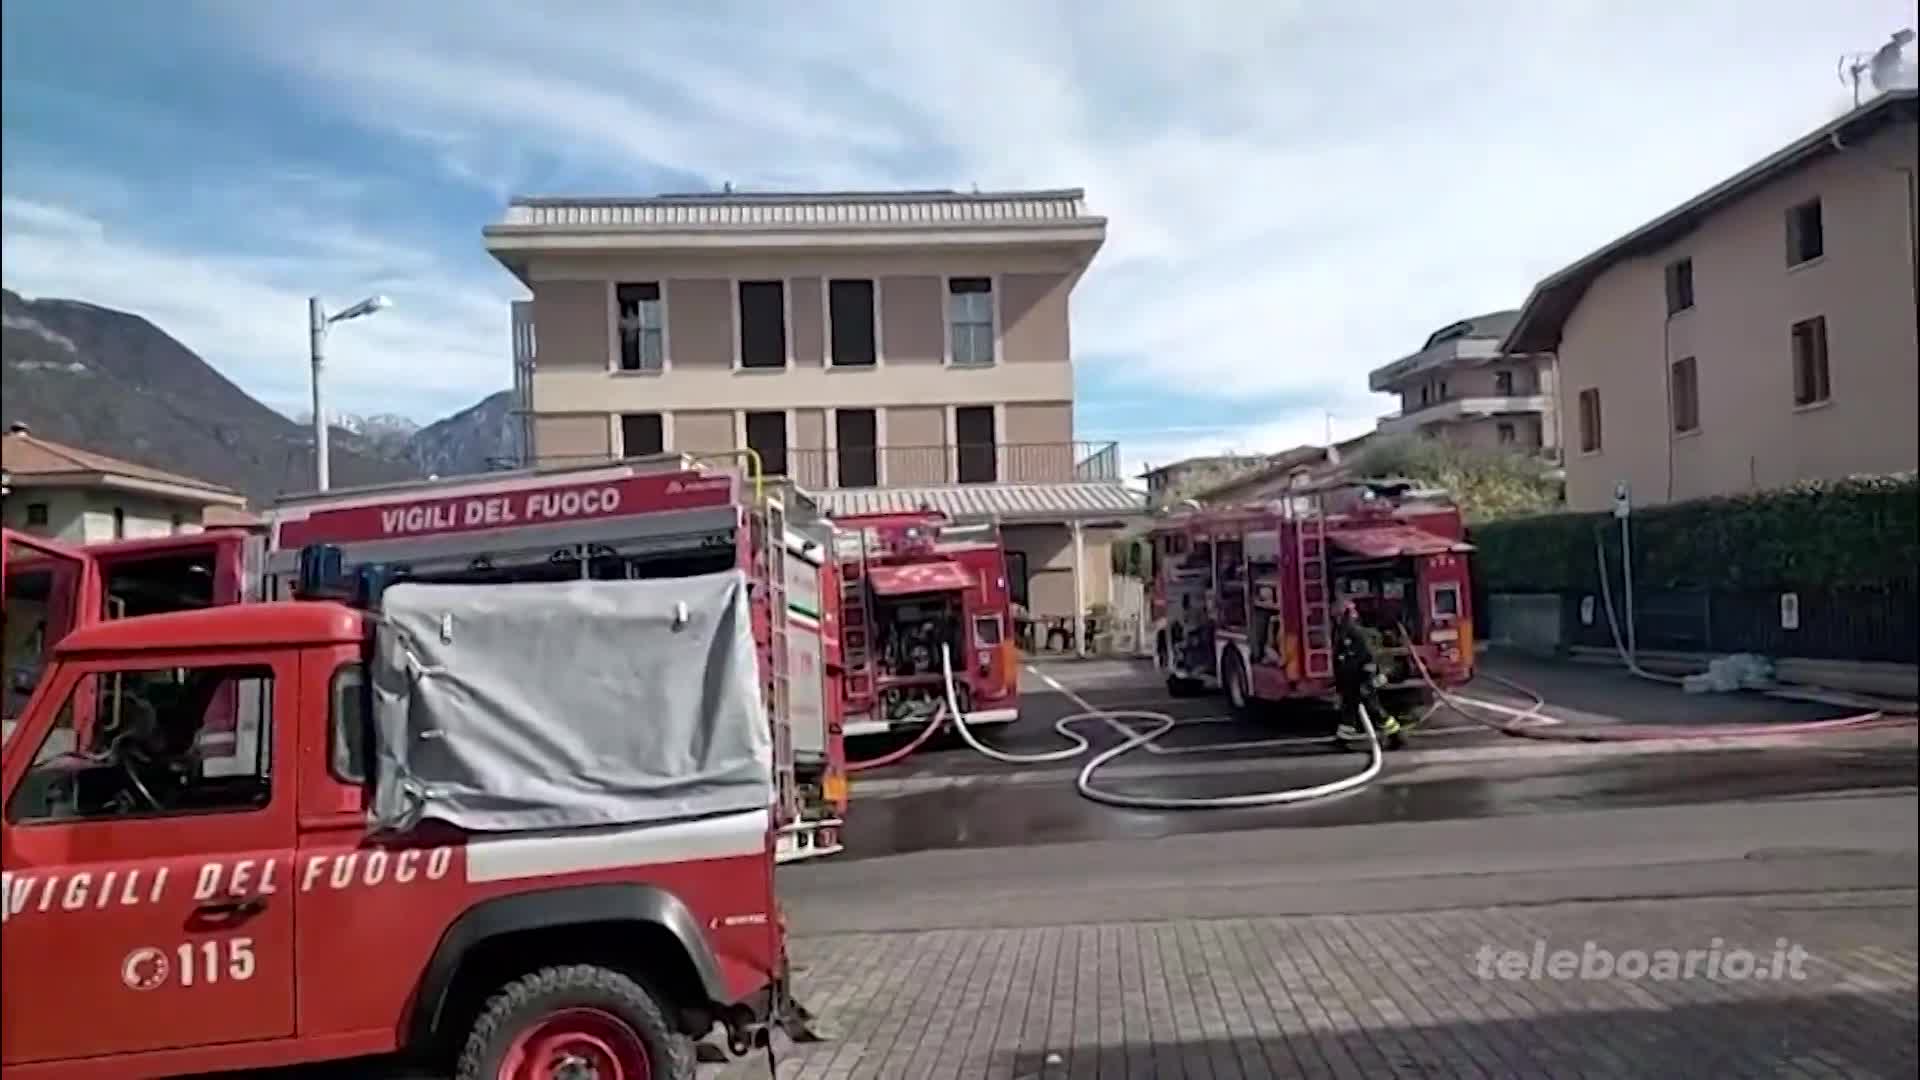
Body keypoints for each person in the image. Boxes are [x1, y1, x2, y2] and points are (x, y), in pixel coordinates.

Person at [1332, 599, 1402, 746]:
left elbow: (1369, 657)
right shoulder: (1344, 632)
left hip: (1361, 679)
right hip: (1352, 679)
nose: (1337, 618)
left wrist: (1368, 680)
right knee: (1349, 707)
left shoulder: (1355, 633)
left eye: (1338, 615)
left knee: (1373, 707)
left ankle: (1395, 734)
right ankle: (1344, 738)